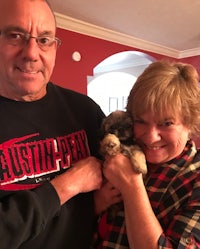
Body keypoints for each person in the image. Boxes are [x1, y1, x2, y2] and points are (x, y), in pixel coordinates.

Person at [0, 0, 105, 248]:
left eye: (44, 40)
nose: (32, 53)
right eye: (16, 36)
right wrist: (68, 185)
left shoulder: (86, 111)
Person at [94, 61, 200, 248]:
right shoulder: (117, 155)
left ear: (190, 123)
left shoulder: (195, 178)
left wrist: (132, 186)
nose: (151, 138)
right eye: (141, 121)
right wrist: (96, 204)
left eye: (166, 123)